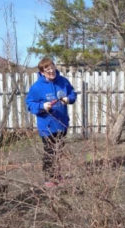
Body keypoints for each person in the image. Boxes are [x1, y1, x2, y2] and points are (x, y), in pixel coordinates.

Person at [25, 57, 77, 188]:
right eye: (48, 70)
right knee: (50, 152)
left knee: (59, 151)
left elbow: (72, 94)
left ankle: (57, 175)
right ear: (42, 72)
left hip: (62, 124)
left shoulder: (63, 81)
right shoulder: (37, 87)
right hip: (47, 126)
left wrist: (68, 99)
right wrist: (43, 106)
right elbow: (30, 104)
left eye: (52, 68)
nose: (51, 71)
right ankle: (49, 178)